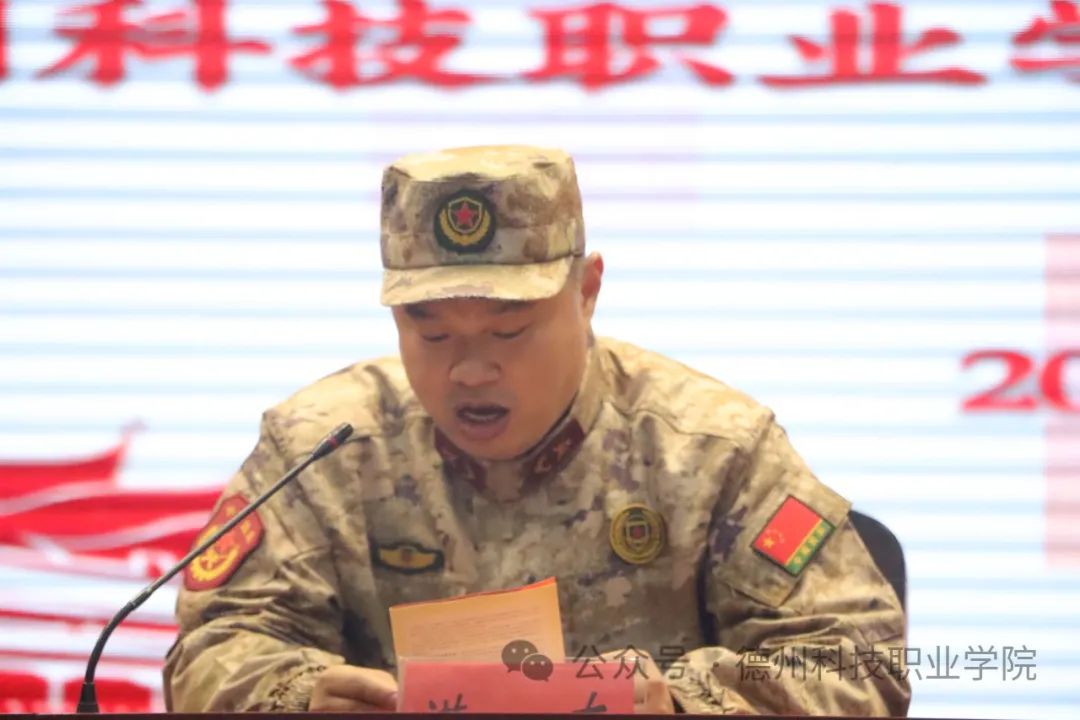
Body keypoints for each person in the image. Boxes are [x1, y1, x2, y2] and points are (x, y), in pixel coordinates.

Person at [163, 145, 911, 715]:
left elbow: (859, 660)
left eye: (509, 331)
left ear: (587, 292)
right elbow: (212, 646)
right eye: (432, 333)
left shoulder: (709, 449)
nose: (470, 371)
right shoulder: (322, 448)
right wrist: (299, 697)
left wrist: (685, 705)